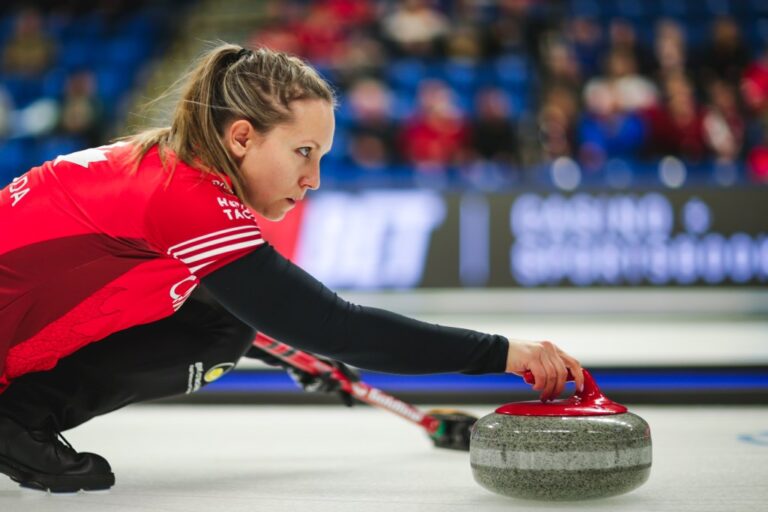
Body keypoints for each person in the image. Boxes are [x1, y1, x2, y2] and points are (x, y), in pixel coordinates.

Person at [0, 44, 584, 493]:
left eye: (322, 157)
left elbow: (223, 298)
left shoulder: (162, 164)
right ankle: (18, 419)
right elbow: (334, 326)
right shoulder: (184, 197)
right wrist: (503, 353)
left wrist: (276, 333)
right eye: (303, 152)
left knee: (228, 324)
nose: (314, 180)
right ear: (241, 137)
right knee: (227, 330)